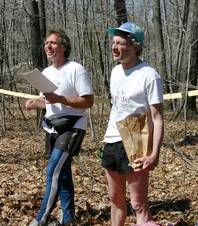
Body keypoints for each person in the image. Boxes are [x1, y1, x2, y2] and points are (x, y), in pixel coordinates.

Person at [26, 29, 94, 226]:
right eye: (46, 42)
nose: (48, 46)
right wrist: (35, 103)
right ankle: (68, 216)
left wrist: (60, 98)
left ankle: (41, 219)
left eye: (53, 43)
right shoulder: (46, 73)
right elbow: (48, 103)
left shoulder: (76, 69)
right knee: (62, 173)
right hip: (51, 128)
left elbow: (88, 101)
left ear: (63, 46)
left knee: (53, 170)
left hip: (72, 127)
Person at [101, 22, 164, 226]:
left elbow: (157, 118)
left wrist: (154, 153)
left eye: (120, 43)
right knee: (115, 198)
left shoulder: (149, 75)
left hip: (136, 140)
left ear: (136, 47)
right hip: (112, 139)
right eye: (113, 43)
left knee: (138, 203)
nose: (114, 47)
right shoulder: (115, 71)